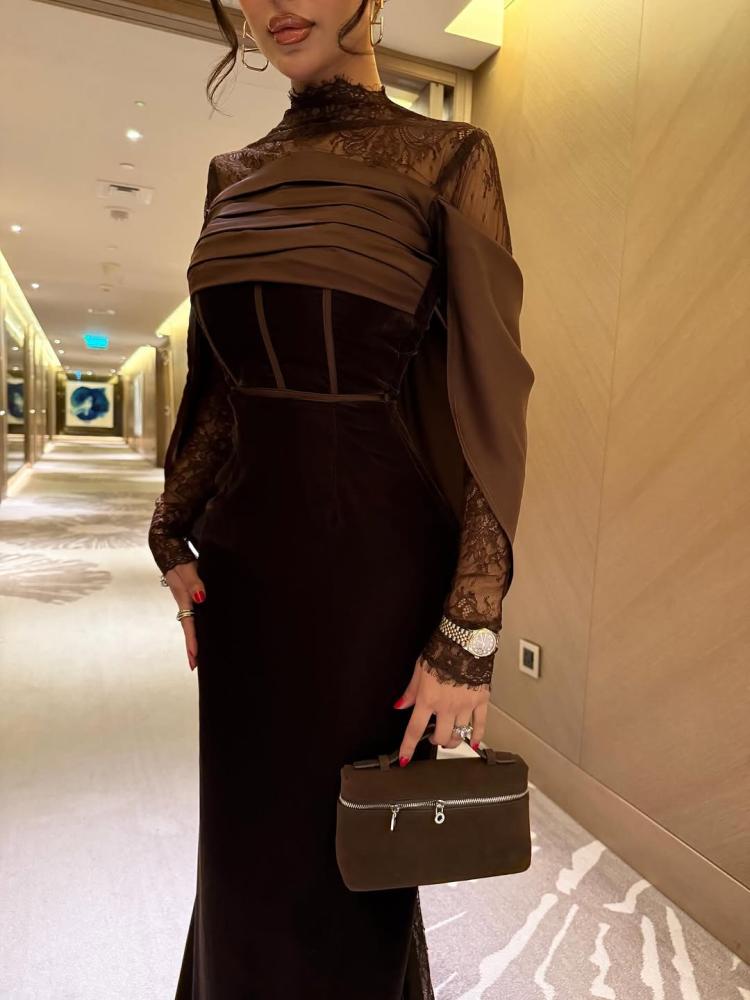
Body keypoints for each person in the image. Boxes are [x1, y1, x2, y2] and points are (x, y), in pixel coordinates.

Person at [147, 1, 535, 996]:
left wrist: (471, 627)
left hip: (372, 567)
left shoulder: (450, 156)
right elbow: (220, 387)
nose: (278, 5)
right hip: (244, 572)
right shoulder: (230, 174)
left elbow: (489, 398)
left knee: (350, 865)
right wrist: (171, 527)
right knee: (243, 851)